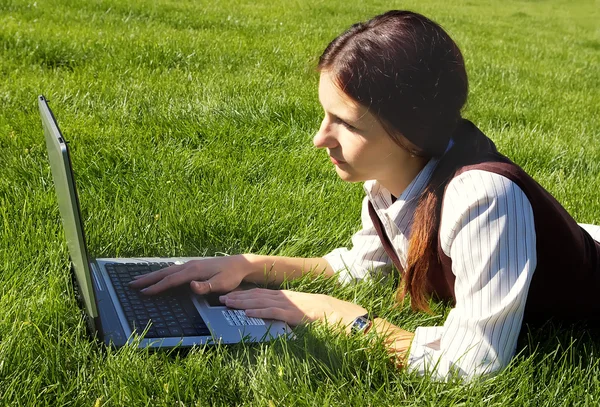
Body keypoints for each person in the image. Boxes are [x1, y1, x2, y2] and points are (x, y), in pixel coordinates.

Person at [129, 10, 600, 380]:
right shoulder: (391, 179)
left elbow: (472, 365)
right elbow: (357, 267)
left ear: (408, 131)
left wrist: (346, 319)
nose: (319, 138)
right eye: (325, 115)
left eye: (346, 124)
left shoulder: (482, 199)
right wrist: (250, 265)